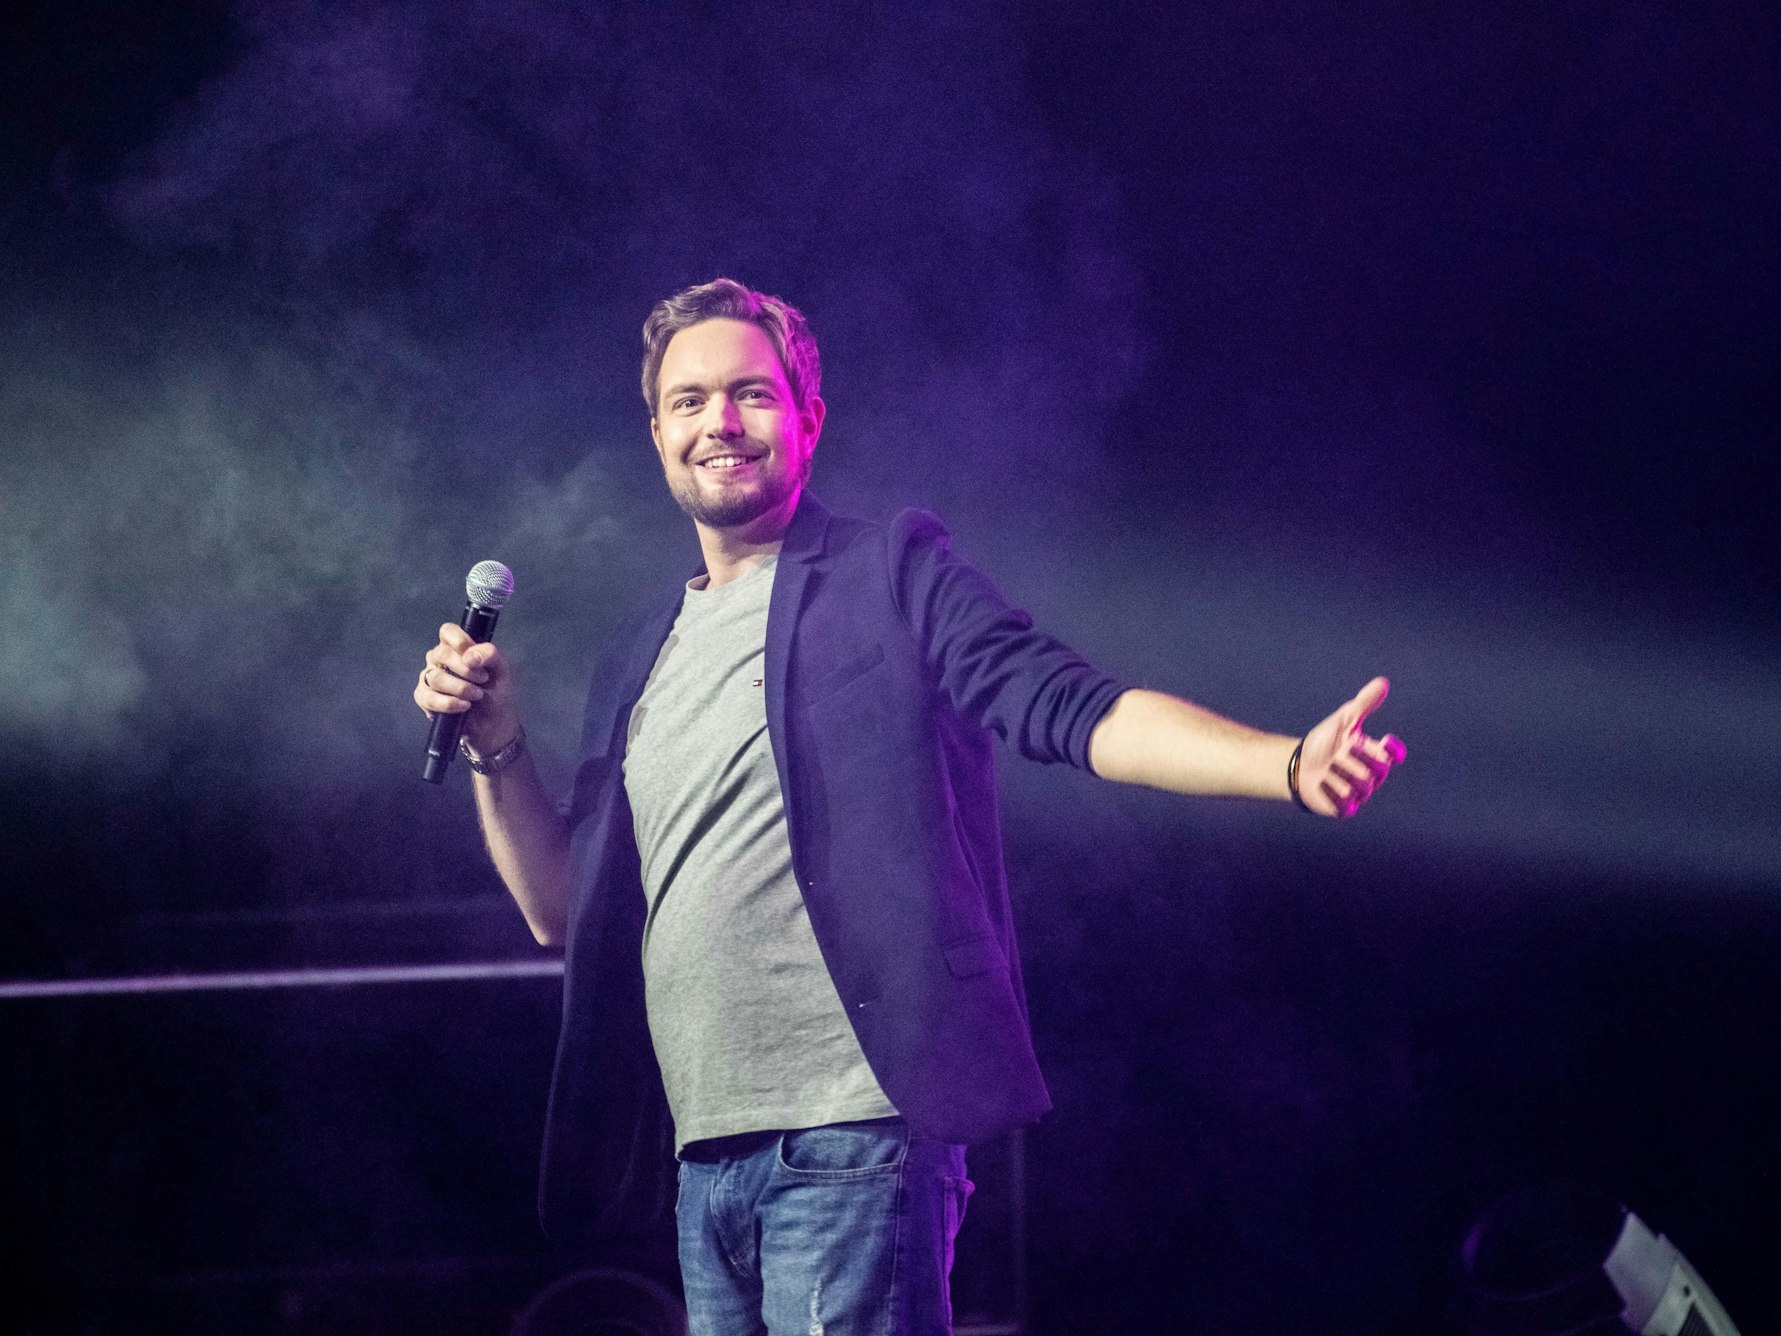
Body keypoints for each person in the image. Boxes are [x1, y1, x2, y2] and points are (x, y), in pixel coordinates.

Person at [413, 278, 1406, 1335]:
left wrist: (1283, 763)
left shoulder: (888, 573)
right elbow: (561, 910)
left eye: (752, 393)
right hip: (703, 1160)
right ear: (657, 433)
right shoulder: (637, 652)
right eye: (689, 401)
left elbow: (1068, 707)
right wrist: (496, 748)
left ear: (808, 417)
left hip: (851, 1134)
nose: (721, 422)